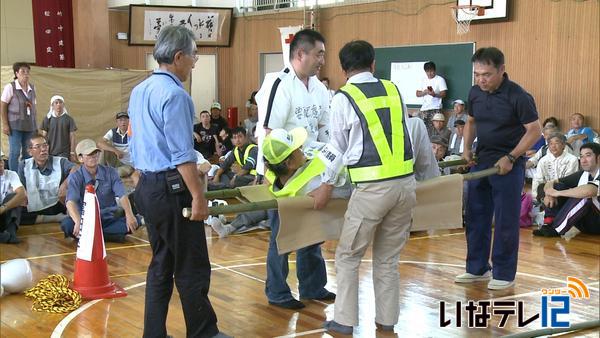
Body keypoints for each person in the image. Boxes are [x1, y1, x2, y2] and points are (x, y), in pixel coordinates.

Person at [128, 26, 229, 338]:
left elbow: (134, 144)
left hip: (147, 186)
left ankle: (153, 333)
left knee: (161, 264)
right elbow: (182, 155)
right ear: (178, 56)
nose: (195, 63)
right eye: (194, 56)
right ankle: (203, 332)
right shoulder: (175, 95)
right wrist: (198, 196)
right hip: (172, 188)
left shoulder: (139, 90)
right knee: (192, 264)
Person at [310, 40, 416, 335]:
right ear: (374, 64)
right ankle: (387, 321)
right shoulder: (394, 90)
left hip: (372, 190)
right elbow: (407, 132)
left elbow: (336, 148)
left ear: (343, 70)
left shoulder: (343, 98)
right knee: (387, 260)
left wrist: (325, 185)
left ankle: (344, 322)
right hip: (406, 186)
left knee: (348, 256)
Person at [255, 28, 333, 310]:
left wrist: (328, 167)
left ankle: (313, 285)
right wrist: (268, 174)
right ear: (300, 54)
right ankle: (277, 291)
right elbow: (268, 132)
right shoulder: (279, 84)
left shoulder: (320, 89)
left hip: (312, 170)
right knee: (282, 234)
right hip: (285, 173)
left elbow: (325, 129)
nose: (322, 59)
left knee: (312, 230)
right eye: (318, 54)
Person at [456, 47, 541, 290]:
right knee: (475, 216)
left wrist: (512, 157)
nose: (481, 79)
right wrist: (466, 149)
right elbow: (471, 121)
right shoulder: (475, 92)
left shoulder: (518, 96)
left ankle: (504, 273)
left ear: (502, 70)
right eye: (477, 74)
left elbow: (534, 130)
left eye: (487, 74)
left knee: (505, 220)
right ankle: (478, 268)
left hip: (509, 165)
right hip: (482, 161)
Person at [60, 139, 138, 243]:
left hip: (107, 218)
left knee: (133, 223)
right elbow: (70, 202)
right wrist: (78, 221)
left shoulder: (111, 172)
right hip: (85, 220)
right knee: (67, 225)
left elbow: (122, 195)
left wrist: (129, 214)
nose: (94, 156)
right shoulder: (75, 176)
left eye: (95, 153)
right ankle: (112, 237)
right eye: (89, 154)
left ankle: (90, 236)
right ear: (80, 158)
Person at [533, 142, 599, 237]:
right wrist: (549, 194)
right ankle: (549, 222)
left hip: (597, 223)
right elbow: (551, 182)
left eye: (588, 156)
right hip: (585, 223)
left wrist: (558, 193)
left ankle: (556, 229)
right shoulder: (583, 174)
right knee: (557, 186)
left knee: (584, 195)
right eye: (581, 156)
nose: (583, 160)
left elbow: (589, 191)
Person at [18, 135, 75, 225]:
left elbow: (76, 169)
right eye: (38, 147)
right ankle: (55, 218)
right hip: (34, 206)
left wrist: (65, 185)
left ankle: (43, 218)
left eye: (45, 145)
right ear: (30, 151)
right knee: (14, 213)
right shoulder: (24, 165)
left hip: (56, 204)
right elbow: (22, 186)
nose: (43, 149)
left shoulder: (60, 162)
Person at [1, 62, 37, 171]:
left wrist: (35, 125)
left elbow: (34, 108)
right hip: (14, 126)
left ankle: (25, 175)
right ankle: (14, 177)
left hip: (29, 126)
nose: (26, 74)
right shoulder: (10, 87)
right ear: (16, 73)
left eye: (27, 72)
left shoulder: (32, 88)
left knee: (28, 152)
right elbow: (2, 105)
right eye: (23, 72)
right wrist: (5, 124)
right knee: (15, 151)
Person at [531, 133, 579, 200]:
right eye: (550, 144)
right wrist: (536, 197)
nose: (553, 146)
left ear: (563, 145)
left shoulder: (572, 159)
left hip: (564, 193)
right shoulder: (543, 160)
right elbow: (538, 179)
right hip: (546, 193)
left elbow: (569, 181)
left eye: (556, 143)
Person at [39, 95, 77, 161]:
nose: (58, 105)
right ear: (52, 105)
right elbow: (43, 137)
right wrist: (43, 150)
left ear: (63, 104)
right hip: (49, 152)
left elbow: (72, 137)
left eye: (60, 102)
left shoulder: (69, 119)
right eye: (56, 103)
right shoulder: (47, 119)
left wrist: (72, 152)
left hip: (64, 153)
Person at [415, 61, 447, 134]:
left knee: (435, 131)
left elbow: (444, 94)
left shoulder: (440, 79)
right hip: (424, 109)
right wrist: (425, 92)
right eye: (427, 71)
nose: (429, 73)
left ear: (435, 70)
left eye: (431, 71)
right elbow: (417, 93)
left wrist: (434, 94)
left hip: (435, 108)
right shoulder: (423, 80)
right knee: (423, 131)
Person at [0, 160, 26, 244]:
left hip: (5, 213)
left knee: (14, 196)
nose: (0, 165)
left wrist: (3, 208)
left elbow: (22, 194)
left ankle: (11, 232)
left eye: (1, 161)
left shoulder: (11, 174)